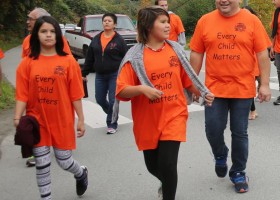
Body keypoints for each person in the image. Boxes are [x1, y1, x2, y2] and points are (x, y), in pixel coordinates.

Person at [115, 6, 214, 200]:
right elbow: (121, 91)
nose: (168, 25)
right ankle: (166, 181)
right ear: (148, 26)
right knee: (153, 166)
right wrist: (142, 89)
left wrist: (202, 93)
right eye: (162, 22)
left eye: (168, 21)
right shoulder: (134, 56)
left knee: (168, 164)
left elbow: (188, 79)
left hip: (174, 114)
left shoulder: (175, 49)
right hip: (147, 120)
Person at [190, 0, 271, 193]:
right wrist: (193, 85)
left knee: (240, 132)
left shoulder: (251, 20)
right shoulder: (205, 21)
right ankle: (220, 154)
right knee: (213, 129)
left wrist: (265, 84)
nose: (223, 0)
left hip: (242, 88)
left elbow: (262, 54)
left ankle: (238, 172)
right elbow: (196, 53)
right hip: (213, 89)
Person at [14, 16, 88, 199]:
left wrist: (81, 120)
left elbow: (75, 94)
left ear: (58, 35)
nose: (48, 35)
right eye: (43, 31)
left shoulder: (69, 62)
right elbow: (22, 94)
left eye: (52, 31)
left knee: (64, 161)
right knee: (42, 163)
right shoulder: (27, 63)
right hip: (37, 120)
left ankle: (81, 173)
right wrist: (17, 117)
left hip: (62, 119)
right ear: (36, 35)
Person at [22, 7, 72, 167]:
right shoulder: (26, 41)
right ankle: (39, 151)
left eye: (30, 18)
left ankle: (60, 147)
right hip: (35, 96)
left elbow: (67, 63)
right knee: (36, 124)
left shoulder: (60, 41)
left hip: (55, 95)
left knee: (64, 159)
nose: (27, 21)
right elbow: (25, 67)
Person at [82, 13, 128, 134]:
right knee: (100, 99)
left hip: (114, 74)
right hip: (100, 75)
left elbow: (126, 58)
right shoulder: (96, 39)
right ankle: (113, 114)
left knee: (113, 100)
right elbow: (89, 58)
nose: (106, 22)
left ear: (115, 24)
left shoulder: (119, 40)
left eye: (109, 21)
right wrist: (84, 73)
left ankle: (112, 123)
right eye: (104, 21)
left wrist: (127, 74)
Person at [270, 0, 280, 105]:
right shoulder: (276, 12)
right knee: (279, 71)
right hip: (278, 48)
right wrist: (272, 47)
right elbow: (275, 31)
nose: (273, 2)